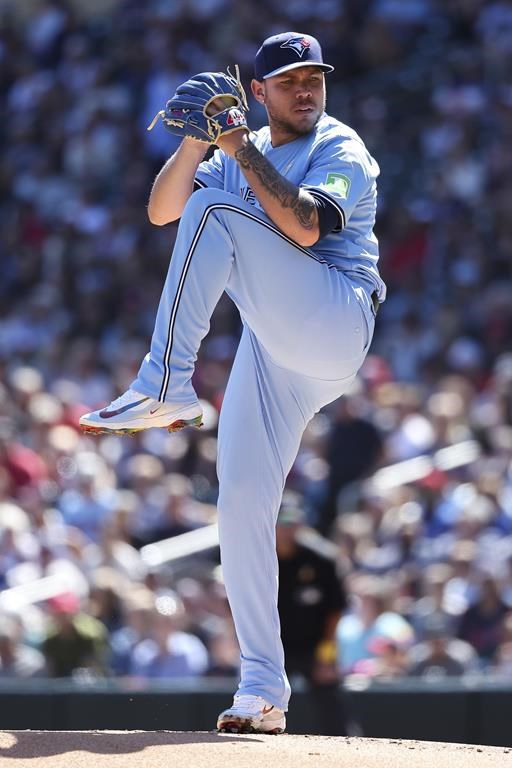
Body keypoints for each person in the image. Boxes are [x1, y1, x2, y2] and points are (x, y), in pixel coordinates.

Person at [79, 31, 385, 733]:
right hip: (272, 347)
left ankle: (166, 383)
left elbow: (308, 227)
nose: (306, 89)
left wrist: (238, 146)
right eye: (290, 80)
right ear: (259, 91)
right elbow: (161, 211)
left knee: (215, 210)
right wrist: (195, 142)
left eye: (315, 77)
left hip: (333, 315)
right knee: (241, 504)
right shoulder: (232, 152)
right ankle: (262, 689)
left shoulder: (339, 146)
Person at [276, 494, 351, 735]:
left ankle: (346, 753)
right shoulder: (260, 558)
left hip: (314, 646)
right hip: (274, 647)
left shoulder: (322, 560)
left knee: (331, 706)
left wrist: (326, 655)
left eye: (293, 522)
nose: (289, 528)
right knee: (264, 703)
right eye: (283, 522)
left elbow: (335, 610)